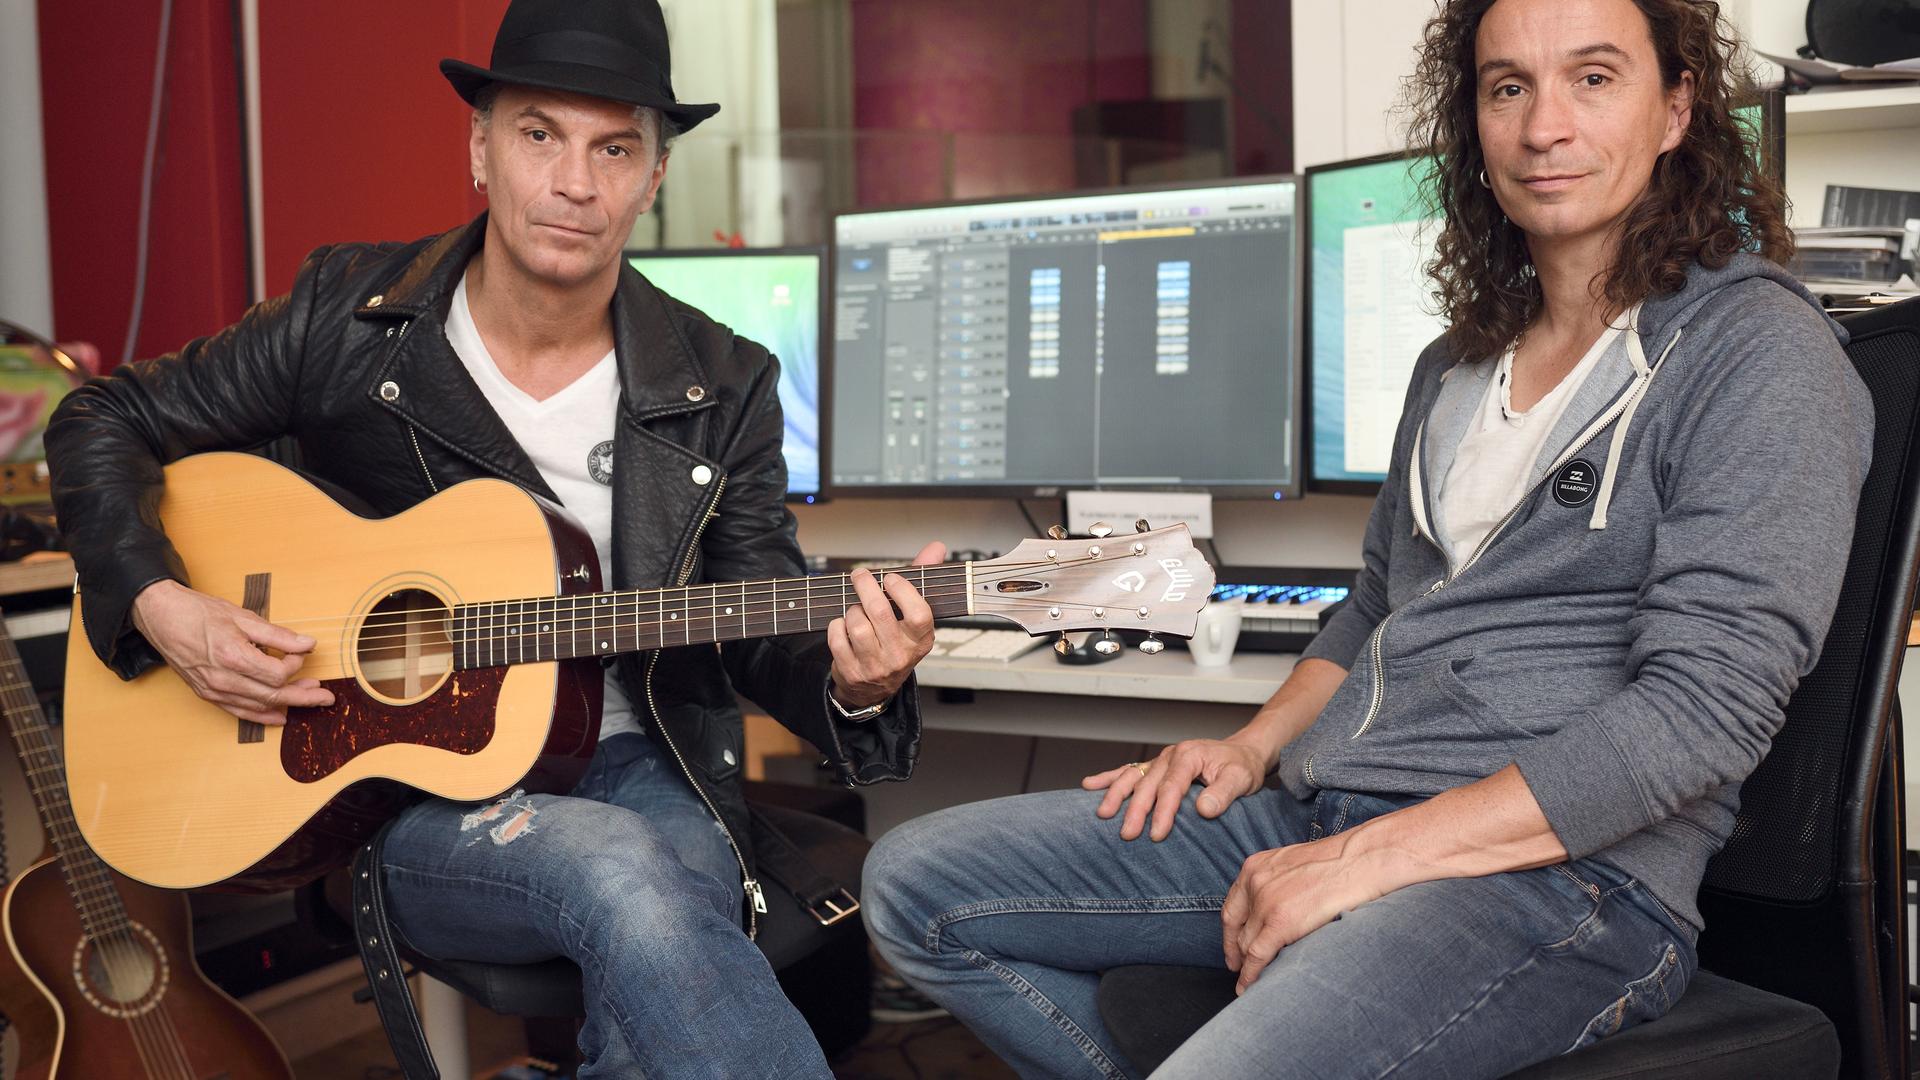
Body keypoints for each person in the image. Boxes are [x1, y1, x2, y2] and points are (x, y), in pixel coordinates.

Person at [861, 0, 1874, 1076]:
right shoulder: (1457, 364)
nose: (1544, 128)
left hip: (1561, 880)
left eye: (1593, 78)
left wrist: (1360, 861)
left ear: (1675, 108)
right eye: (1508, 87)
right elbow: (1373, 611)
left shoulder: (1760, 354)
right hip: (1331, 808)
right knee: (913, 887)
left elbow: (1698, 717)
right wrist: (1250, 752)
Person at [45, 1, 936, 1076]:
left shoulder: (723, 379)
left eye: (616, 148)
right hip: (388, 793)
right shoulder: (347, 314)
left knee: (657, 884)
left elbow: (759, 623)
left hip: (632, 761)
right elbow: (98, 416)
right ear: (479, 146)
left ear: (655, 179)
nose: (574, 182)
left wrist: (861, 685)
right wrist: (161, 604)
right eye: (538, 135)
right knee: (632, 875)